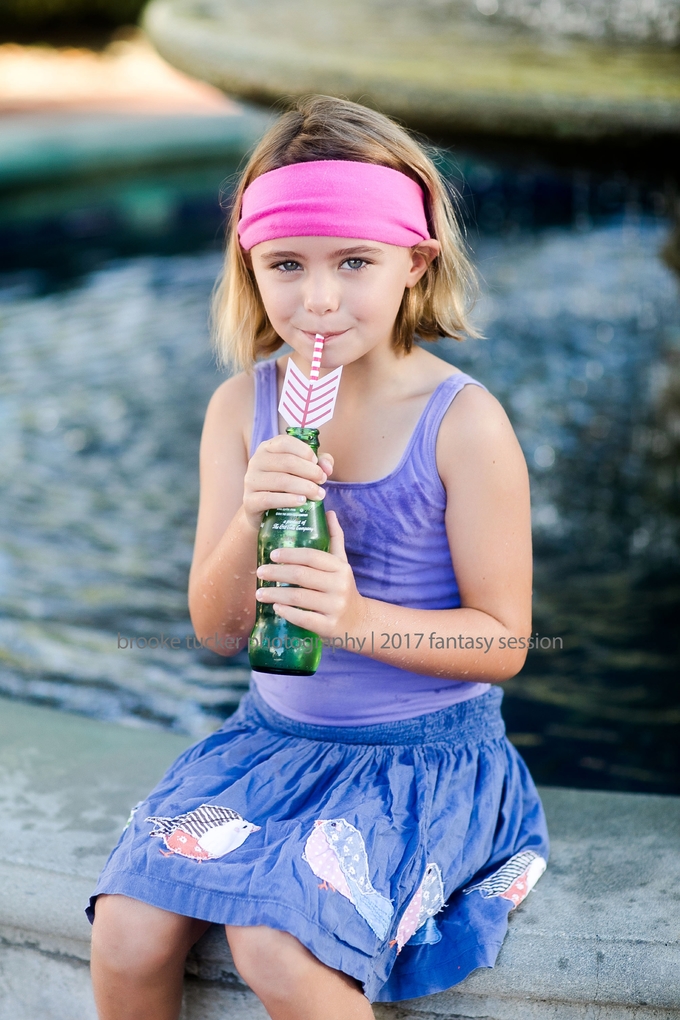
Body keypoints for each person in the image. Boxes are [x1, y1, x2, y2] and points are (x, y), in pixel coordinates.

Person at [88, 95, 549, 1020]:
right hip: (272, 742)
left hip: (421, 761)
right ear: (249, 268)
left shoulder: (462, 424)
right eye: (286, 265)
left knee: (277, 946)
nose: (320, 297)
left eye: (355, 262)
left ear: (414, 264)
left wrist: (352, 620)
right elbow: (217, 631)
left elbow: (503, 644)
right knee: (127, 933)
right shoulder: (241, 411)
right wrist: (250, 518)